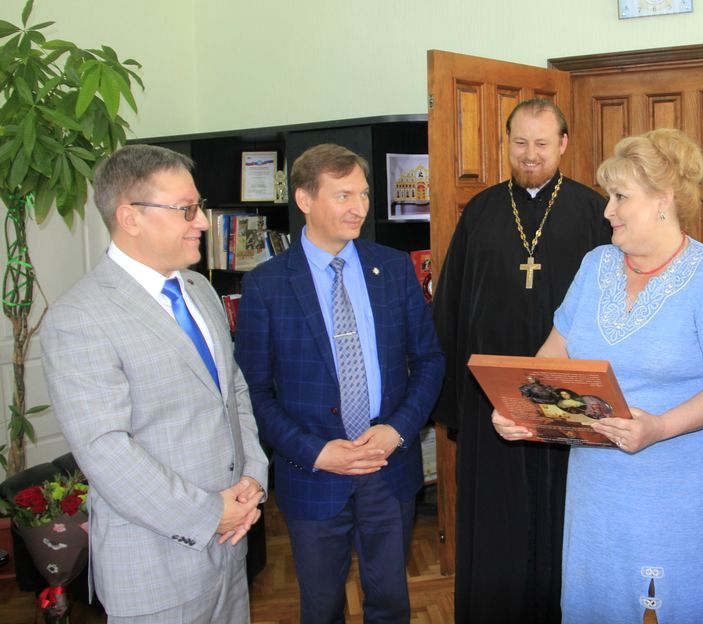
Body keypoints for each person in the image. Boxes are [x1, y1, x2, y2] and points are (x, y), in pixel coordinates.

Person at [494, 128, 703, 623]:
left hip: (678, 491)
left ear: (663, 200)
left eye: (620, 197)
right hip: (597, 490)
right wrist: (520, 408)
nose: (607, 210)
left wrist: (658, 426)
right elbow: (553, 356)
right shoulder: (595, 265)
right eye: (609, 196)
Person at [40, 144, 268, 623]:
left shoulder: (200, 290)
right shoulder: (80, 317)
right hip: (156, 567)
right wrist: (210, 513)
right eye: (186, 209)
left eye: (198, 206)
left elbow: (234, 392)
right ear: (131, 217)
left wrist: (253, 477)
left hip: (231, 550)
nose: (202, 221)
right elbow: (106, 451)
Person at [234, 144, 444, 624]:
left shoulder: (393, 268)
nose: (359, 207)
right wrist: (315, 452)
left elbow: (429, 361)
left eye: (363, 194)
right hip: (313, 475)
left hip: (388, 466)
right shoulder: (266, 285)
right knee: (321, 606)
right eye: (343, 195)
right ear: (304, 199)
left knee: (390, 602)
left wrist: (397, 431)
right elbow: (253, 393)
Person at [432, 97, 610, 623]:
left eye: (541, 143)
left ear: (563, 144)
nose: (530, 154)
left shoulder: (594, 211)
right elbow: (451, 308)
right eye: (520, 142)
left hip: (569, 399)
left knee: (563, 515)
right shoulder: (481, 211)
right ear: (506, 143)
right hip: (491, 402)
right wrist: (456, 403)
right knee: (497, 518)